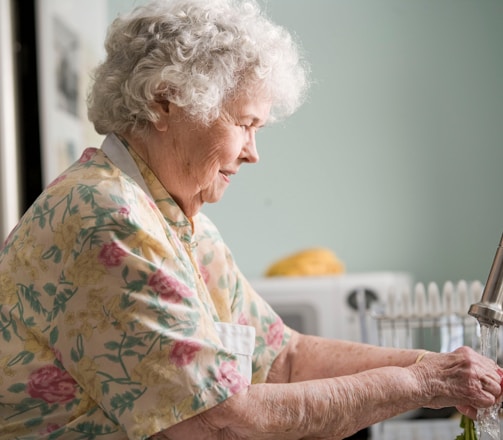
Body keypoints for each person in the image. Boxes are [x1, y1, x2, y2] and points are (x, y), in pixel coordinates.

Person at [0, 0, 501, 438]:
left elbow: (283, 358)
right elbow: (217, 422)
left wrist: (440, 369)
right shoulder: (107, 218)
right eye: (244, 124)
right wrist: (420, 382)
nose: (252, 153)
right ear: (164, 103)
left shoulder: (176, 219)